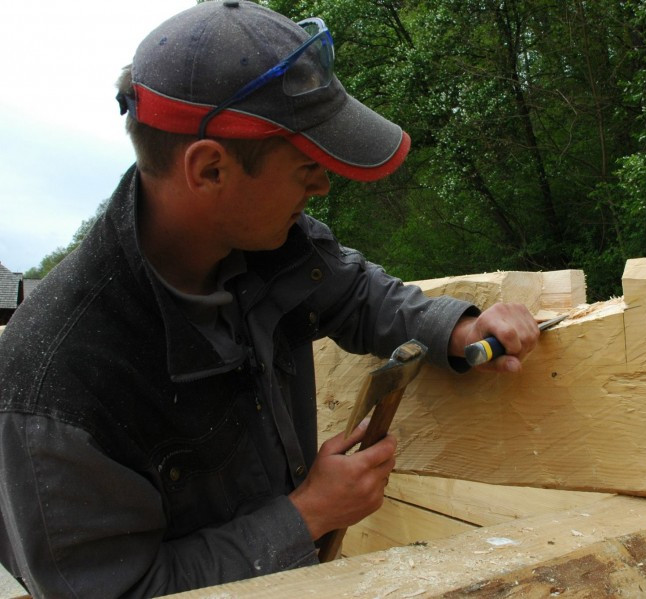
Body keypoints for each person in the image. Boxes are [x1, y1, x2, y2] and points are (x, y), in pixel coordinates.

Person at [0, 2, 540, 597]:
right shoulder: (54, 390)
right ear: (209, 170)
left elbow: (353, 290)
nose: (322, 184)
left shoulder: (270, 242)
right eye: (307, 165)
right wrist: (306, 515)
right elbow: (116, 589)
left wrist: (456, 329)